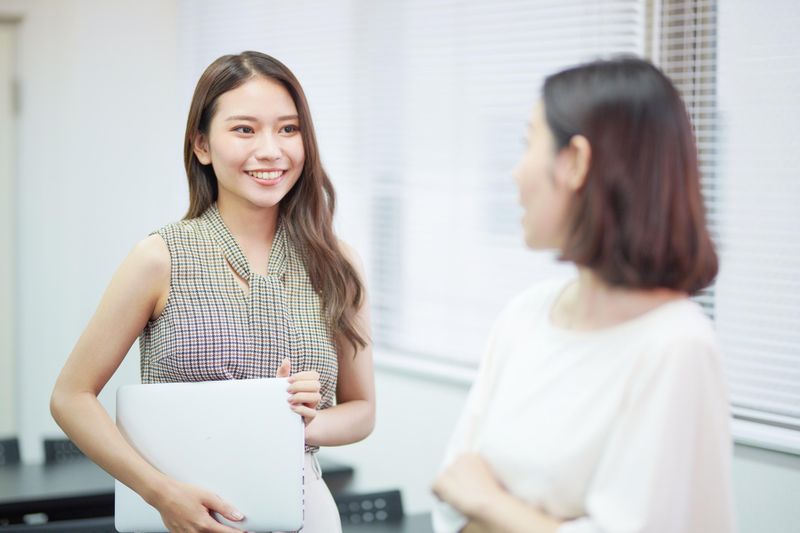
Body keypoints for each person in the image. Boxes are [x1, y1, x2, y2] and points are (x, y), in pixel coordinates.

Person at [50, 51, 375, 533]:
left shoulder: (337, 263)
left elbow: (362, 410)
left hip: (305, 512)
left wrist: (302, 421)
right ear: (202, 145)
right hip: (179, 513)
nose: (271, 150)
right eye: (245, 130)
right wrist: (160, 492)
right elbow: (70, 397)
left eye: (288, 129)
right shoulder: (158, 258)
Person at [431, 57, 734, 533]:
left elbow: (472, 495)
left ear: (574, 162)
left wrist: (490, 503)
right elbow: (451, 493)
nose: (514, 173)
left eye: (527, 143)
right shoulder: (524, 317)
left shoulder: (676, 347)